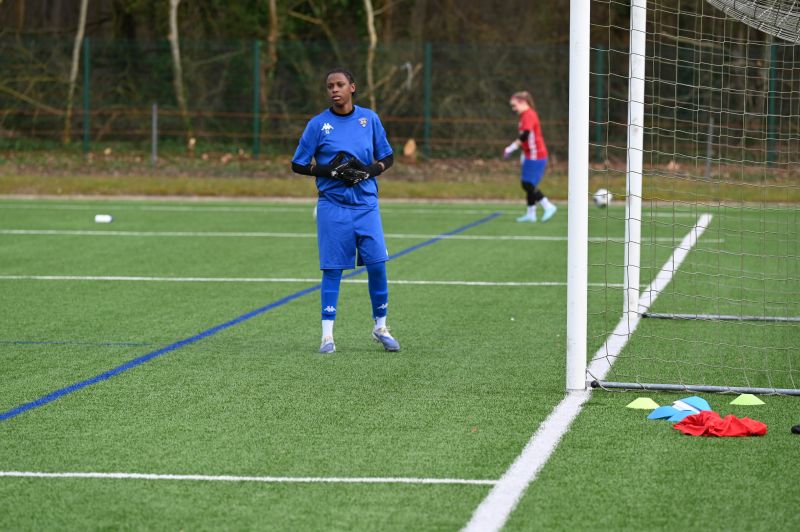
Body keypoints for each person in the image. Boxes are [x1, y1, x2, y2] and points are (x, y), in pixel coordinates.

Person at [291, 68, 400, 354]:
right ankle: (327, 336)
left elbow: (387, 156)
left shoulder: (369, 119)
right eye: (330, 86)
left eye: (340, 84)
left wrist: (369, 171)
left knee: (377, 265)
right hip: (333, 205)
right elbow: (298, 164)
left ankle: (381, 327)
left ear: (352, 87)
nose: (334, 90)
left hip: (366, 204)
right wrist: (328, 170)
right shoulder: (318, 124)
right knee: (333, 269)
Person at [503, 91, 557, 223]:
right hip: (529, 154)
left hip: (536, 154)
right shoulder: (525, 115)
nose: (513, 109)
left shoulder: (529, 115)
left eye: (514, 105)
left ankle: (548, 205)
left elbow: (525, 135)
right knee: (529, 184)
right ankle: (531, 214)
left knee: (527, 184)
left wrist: (511, 148)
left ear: (523, 102)